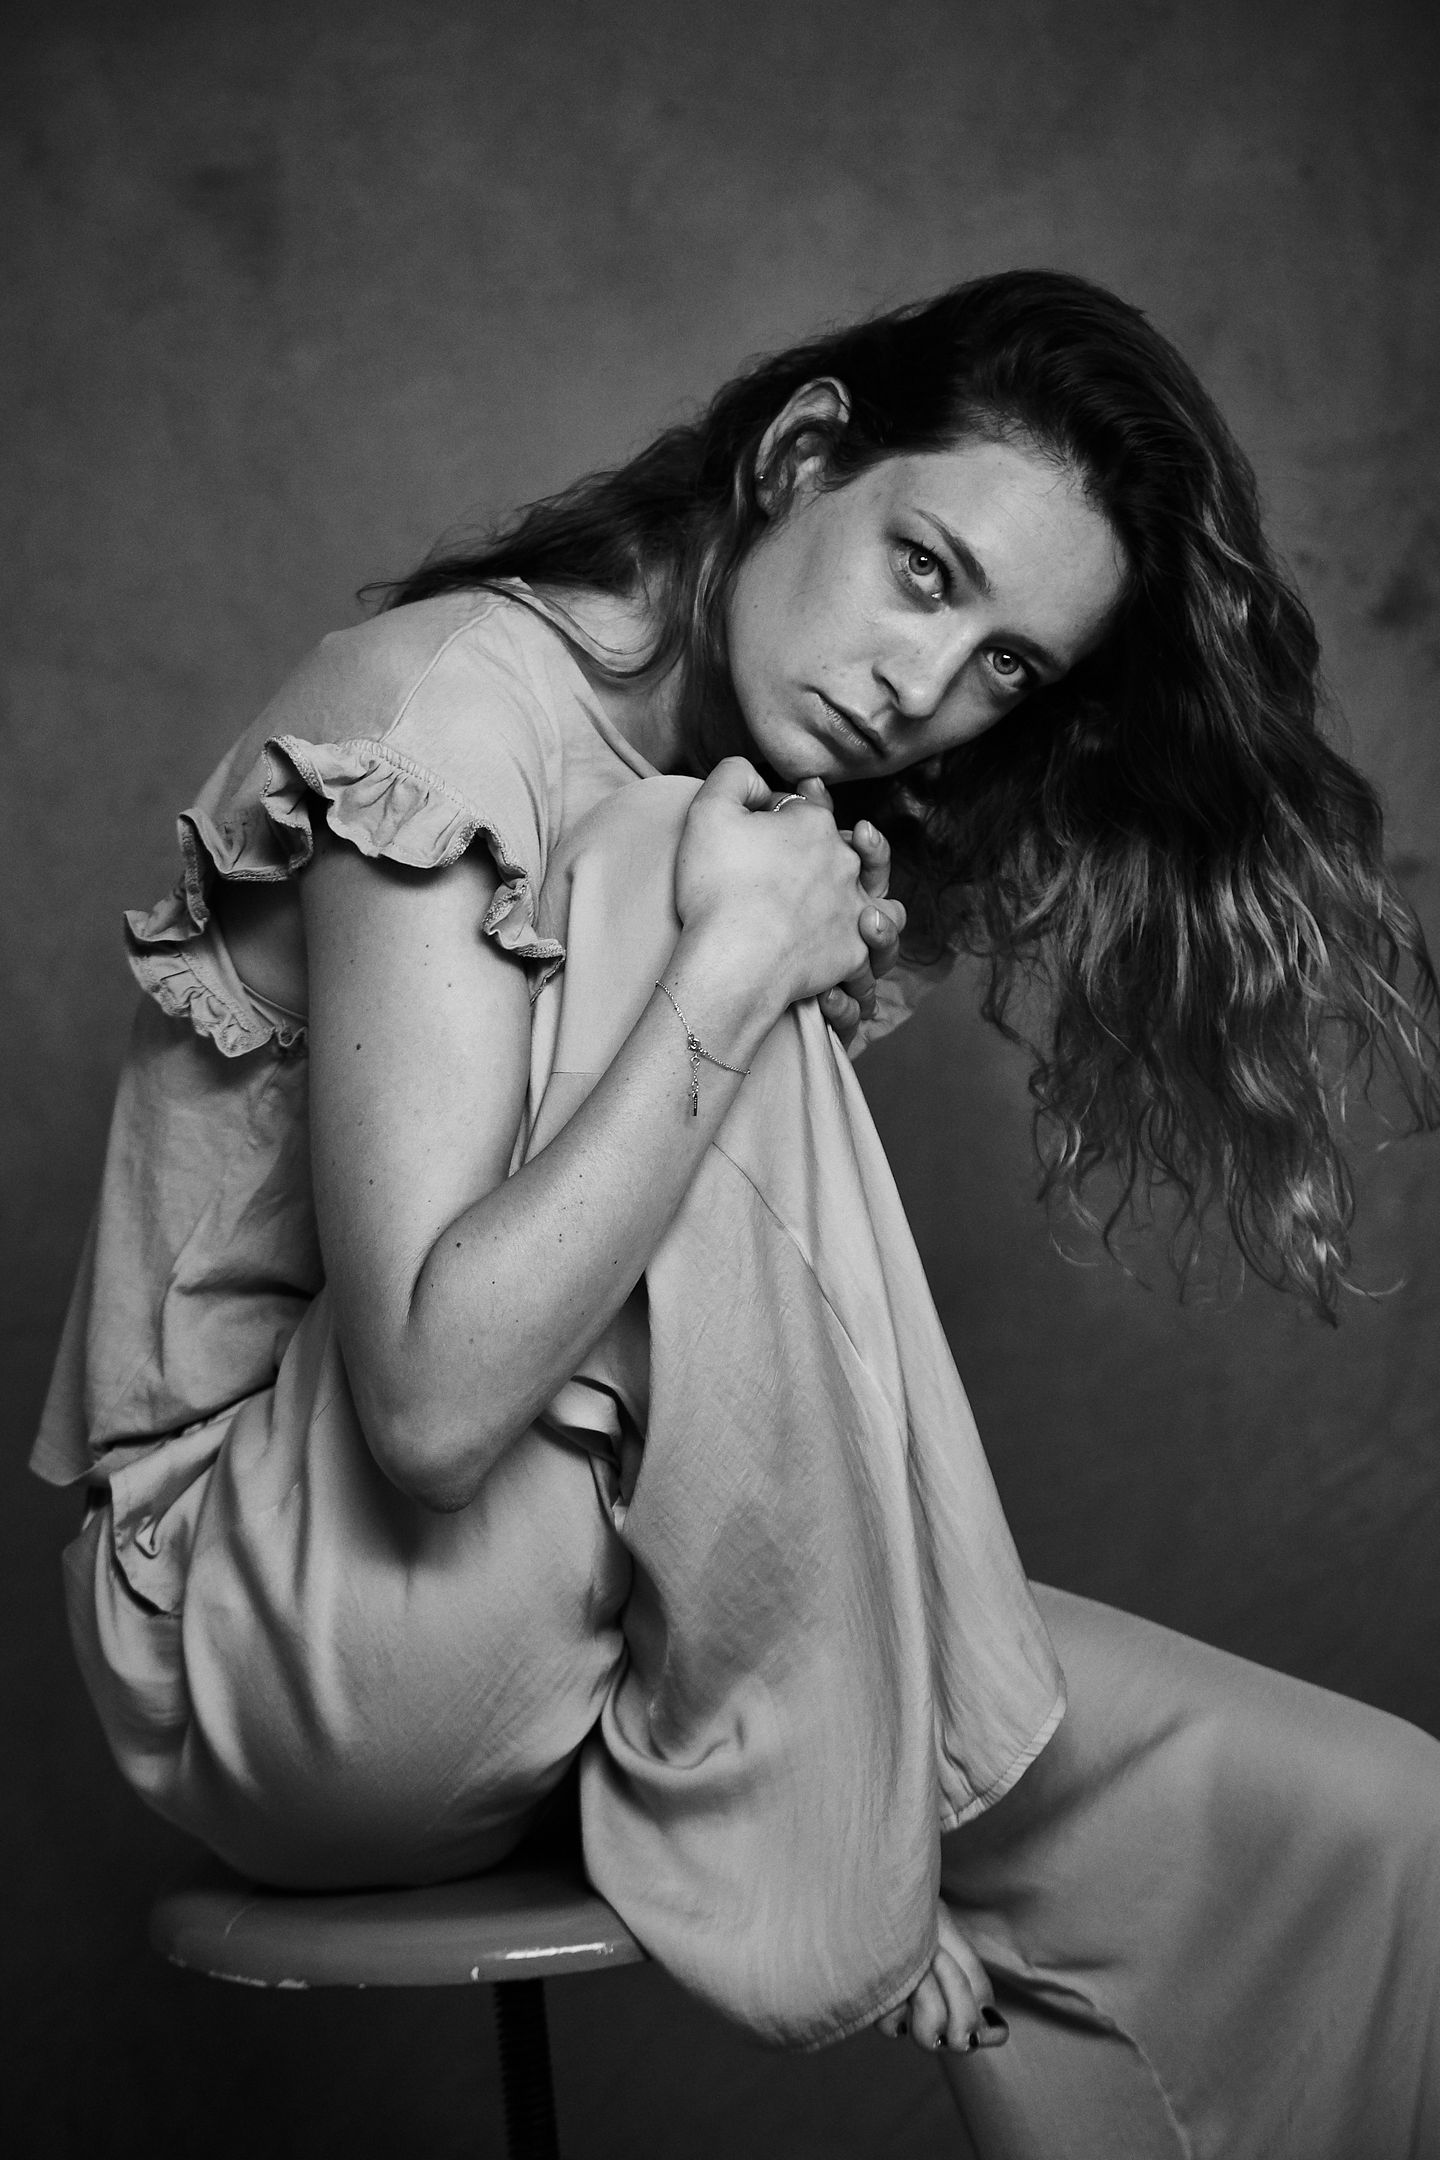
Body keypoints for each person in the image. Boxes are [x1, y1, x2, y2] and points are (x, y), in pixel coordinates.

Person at [34, 271, 1440, 2155]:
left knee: (1370, 1829)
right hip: (284, 1640)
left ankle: (846, 1773)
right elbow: (433, 1410)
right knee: (682, 863)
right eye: (926, 571)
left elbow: (714, 1379)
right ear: (801, 454)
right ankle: (828, 1800)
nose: (923, 691)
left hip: (583, 1603)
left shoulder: (747, 801)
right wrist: (733, 969)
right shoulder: (457, 714)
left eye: (1007, 668)